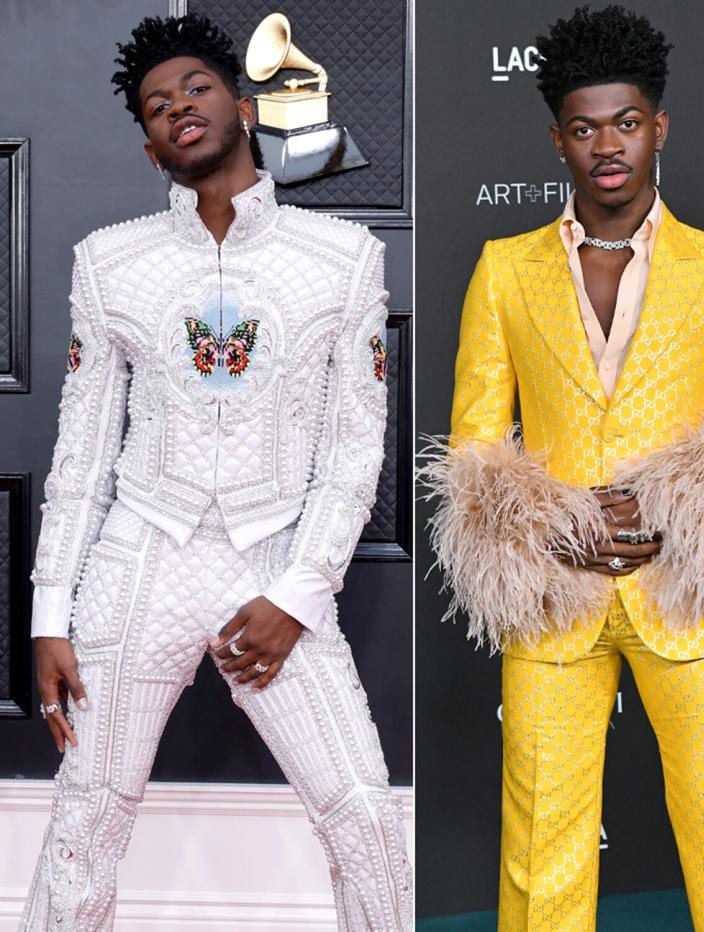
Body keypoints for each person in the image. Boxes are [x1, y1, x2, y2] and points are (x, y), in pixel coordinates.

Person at [422, 5, 704, 929]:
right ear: (558, 138)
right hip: (552, 599)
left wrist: (672, 514)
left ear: (658, 128)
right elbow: (475, 448)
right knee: (539, 837)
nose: (609, 144)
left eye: (627, 122)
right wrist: (556, 523)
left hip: (686, 595)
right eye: (587, 126)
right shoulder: (504, 269)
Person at [21, 14, 411, 930]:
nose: (177, 109)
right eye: (156, 106)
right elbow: (81, 451)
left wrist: (300, 597)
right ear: (152, 149)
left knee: (363, 815)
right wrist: (49, 613)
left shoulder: (344, 260)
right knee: (85, 822)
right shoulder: (108, 262)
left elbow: (357, 452)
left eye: (193, 89)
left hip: (275, 568)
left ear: (241, 105)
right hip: (137, 563)